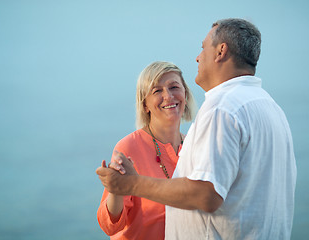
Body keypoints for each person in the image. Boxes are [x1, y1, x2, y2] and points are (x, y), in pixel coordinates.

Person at [96, 18, 297, 240]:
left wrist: (133, 183)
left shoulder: (223, 109)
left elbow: (206, 195)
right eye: (156, 91)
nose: (198, 57)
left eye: (203, 48)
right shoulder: (270, 106)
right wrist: (119, 187)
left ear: (221, 51)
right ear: (144, 103)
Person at [96, 61, 195, 239]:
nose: (168, 96)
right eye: (157, 91)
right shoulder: (128, 148)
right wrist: (116, 189)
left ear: (185, 95)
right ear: (145, 105)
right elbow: (110, 226)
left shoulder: (194, 147)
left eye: (174, 87)